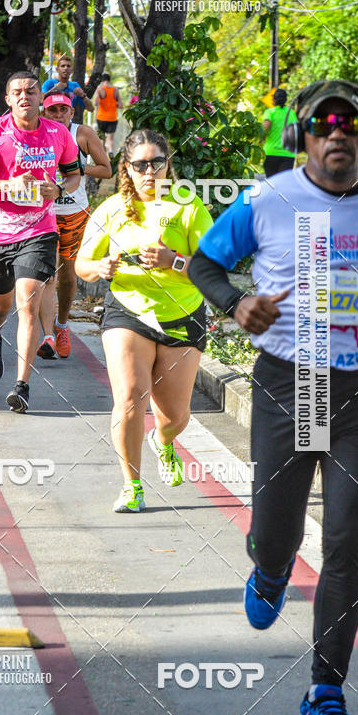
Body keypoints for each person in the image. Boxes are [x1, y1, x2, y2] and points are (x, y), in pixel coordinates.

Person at [188, 79, 358, 715]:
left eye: (349, 122)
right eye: (322, 122)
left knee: (345, 544)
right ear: (301, 135)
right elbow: (204, 264)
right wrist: (234, 304)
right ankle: (272, 564)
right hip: (291, 383)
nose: (336, 132)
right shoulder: (267, 200)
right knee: (277, 529)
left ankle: (325, 693)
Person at [75, 129, 212, 512]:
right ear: (127, 168)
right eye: (140, 165)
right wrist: (99, 266)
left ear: (169, 164)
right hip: (128, 312)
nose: (149, 172)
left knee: (175, 416)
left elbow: (212, 267)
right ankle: (131, 485)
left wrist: (174, 261)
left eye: (156, 163)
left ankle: (164, 442)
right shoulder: (111, 209)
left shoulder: (188, 207)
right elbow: (81, 264)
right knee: (131, 397)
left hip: (181, 313)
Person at [0, 71, 81, 412]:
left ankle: (21, 386)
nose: (24, 96)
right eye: (17, 92)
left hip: (39, 230)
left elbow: (73, 175)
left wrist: (59, 189)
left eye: (31, 90)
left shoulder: (58, 134)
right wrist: (5, 186)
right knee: (1, 305)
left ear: (41, 97)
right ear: (8, 100)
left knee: (27, 303)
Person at [36, 93, 112, 359]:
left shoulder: (82, 134)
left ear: (71, 112)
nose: (58, 114)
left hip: (73, 212)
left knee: (68, 276)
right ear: (44, 112)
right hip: (41, 211)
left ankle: (62, 325)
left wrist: (79, 168)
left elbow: (106, 169)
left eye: (63, 110)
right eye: (52, 110)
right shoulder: (36, 132)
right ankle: (47, 336)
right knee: (45, 274)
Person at [262, 87, 297, 177]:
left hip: (271, 153)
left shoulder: (270, 112)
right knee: (284, 185)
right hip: (288, 154)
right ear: (285, 99)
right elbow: (295, 130)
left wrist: (261, 139)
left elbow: (265, 128)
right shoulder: (291, 113)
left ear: (274, 99)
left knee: (272, 184)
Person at [94, 72, 123, 155]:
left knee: (102, 139)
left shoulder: (100, 89)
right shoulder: (115, 90)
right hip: (112, 118)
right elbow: (121, 105)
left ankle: (103, 155)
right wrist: (114, 104)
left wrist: (98, 96)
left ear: (102, 80)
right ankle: (110, 152)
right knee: (110, 139)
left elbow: (95, 103)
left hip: (101, 118)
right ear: (109, 80)